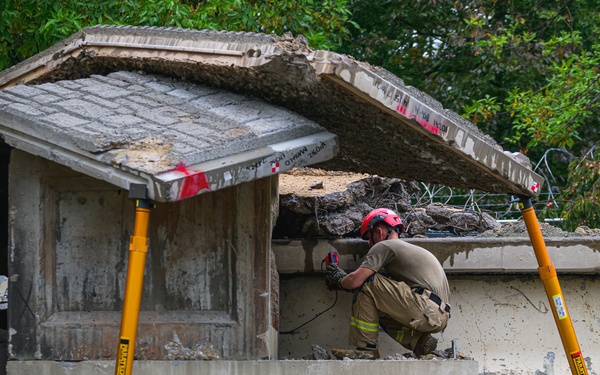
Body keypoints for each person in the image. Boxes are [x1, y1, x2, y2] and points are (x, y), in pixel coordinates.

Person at [325, 208, 451, 358]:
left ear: (379, 231)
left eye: (369, 238)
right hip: (438, 315)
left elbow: (356, 281)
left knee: (367, 283)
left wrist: (339, 278)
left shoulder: (383, 246)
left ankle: (366, 350)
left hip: (425, 308)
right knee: (377, 305)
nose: (369, 244)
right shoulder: (407, 249)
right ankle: (419, 342)